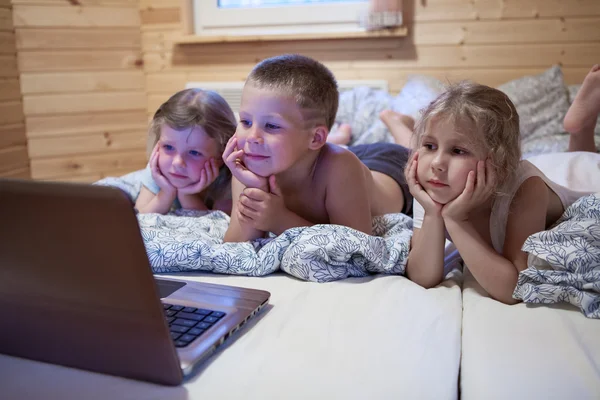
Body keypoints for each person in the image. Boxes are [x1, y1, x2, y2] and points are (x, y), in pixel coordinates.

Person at [405, 67, 599, 304]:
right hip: (540, 167)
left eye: (458, 151)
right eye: (429, 146)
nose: (436, 163)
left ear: (497, 161)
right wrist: (433, 215)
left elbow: (513, 290)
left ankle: (581, 128)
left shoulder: (525, 190)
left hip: (576, 180)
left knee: (586, 167)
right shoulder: (433, 185)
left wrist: (456, 221)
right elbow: (422, 277)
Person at [222, 54, 413, 243]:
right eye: (245, 121)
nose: (252, 137)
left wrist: (280, 221)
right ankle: (343, 137)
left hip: (388, 166)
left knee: (414, 160)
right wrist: (255, 189)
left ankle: (395, 122)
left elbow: (356, 247)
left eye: (271, 126)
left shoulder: (341, 169)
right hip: (319, 154)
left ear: (315, 138)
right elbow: (234, 247)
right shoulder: (248, 164)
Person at [135, 88, 237, 215]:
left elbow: (217, 227)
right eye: (168, 147)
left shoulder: (230, 181)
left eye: (194, 153)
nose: (177, 163)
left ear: (221, 156)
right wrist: (167, 193)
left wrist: (186, 195)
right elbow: (139, 218)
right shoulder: (158, 170)